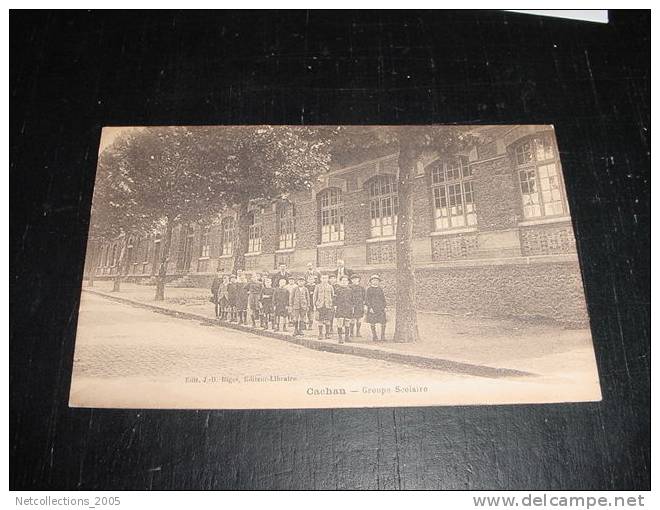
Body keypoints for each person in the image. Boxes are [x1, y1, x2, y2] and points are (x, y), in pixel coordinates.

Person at [365, 274, 387, 341]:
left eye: (377, 280)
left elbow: (383, 299)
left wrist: (385, 306)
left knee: (383, 322)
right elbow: (367, 300)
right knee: (373, 322)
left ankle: (382, 336)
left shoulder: (380, 289)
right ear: (371, 281)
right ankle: (374, 336)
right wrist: (370, 308)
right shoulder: (369, 289)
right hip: (372, 308)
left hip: (380, 307)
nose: (375, 282)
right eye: (374, 280)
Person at [313, 273, 335, 340]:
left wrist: (332, 305)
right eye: (323, 278)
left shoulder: (330, 287)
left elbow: (333, 296)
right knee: (320, 320)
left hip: (328, 305)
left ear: (328, 279)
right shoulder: (318, 286)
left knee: (328, 320)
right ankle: (320, 334)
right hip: (320, 305)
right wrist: (314, 305)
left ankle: (327, 333)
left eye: (326, 278)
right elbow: (315, 296)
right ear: (320, 279)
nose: (324, 280)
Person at [333, 275, 353, 343]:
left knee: (347, 322)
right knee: (340, 322)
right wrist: (335, 306)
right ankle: (340, 338)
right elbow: (335, 300)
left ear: (348, 282)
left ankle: (347, 337)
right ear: (340, 282)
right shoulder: (338, 290)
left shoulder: (350, 290)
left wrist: (352, 307)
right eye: (343, 281)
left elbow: (352, 299)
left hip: (348, 308)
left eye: (346, 281)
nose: (344, 282)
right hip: (340, 308)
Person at [349, 274, 366, 338]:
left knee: (359, 319)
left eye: (356, 279)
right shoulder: (349, 287)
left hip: (359, 305)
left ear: (359, 280)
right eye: (353, 279)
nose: (355, 280)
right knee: (352, 319)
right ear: (351, 280)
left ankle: (358, 332)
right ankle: (351, 332)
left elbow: (364, 297)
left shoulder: (361, 288)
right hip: (352, 305)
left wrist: (364, 305)